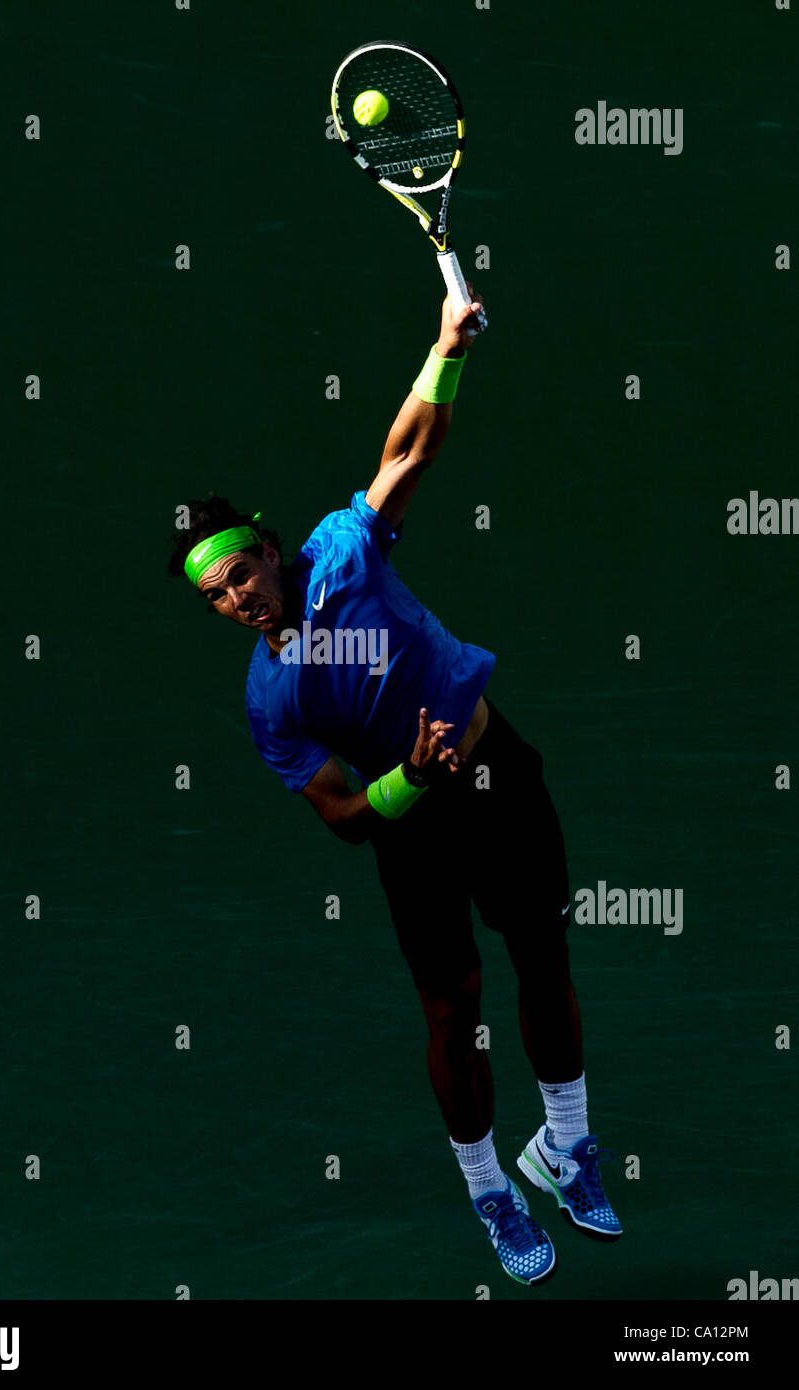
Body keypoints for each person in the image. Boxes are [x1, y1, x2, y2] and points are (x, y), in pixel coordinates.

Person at [168, 284, 621, 1285]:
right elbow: (338, 813)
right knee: (452, 1009)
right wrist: (409, 782)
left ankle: (565, 1146)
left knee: (543, 957)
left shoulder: (344, 549)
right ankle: (488, 1188)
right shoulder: (268, 699)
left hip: (499, 771)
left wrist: (447, 345)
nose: (237, 599)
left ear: (270, 552)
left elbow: (410, 447)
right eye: (216, 596)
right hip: (414, 829)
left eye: (240, 573)